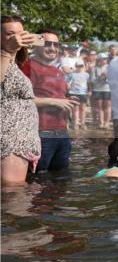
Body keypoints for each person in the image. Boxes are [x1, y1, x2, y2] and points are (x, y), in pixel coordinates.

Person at [22, 30, 75, 173]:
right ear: (36, 44)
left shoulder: (58, 72)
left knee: (61, 177)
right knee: (37, 178)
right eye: (47, 44)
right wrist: (55, 102)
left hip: (62, 134)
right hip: (39, 133)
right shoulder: (27, 67)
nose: (52, 48)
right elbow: (19, 100)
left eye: (56, 45)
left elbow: (57, 97)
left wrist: (67, 102)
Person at [1, 15, 42, 186]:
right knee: (12, 192)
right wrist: (6, 51)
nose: (16, 38)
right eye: (10, 33)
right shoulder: (4, 57)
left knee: (16, 192)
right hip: (10, 140)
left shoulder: (15, 62)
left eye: (20, 33)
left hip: (21, 140)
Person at [66, 59, 90, 129]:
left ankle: (82, 123)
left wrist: (89, 91)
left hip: (83, 93)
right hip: (73, 93)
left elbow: (89, 83)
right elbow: (67, 82)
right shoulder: (72, 74)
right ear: (76, 66)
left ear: (83, 66)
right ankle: (75, 123)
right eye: (78, 66)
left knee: (83, 109)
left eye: (81, 66)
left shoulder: (86, 75)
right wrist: (68, 87)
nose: (79, 67)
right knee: (75, 109)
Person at [90, 53, 112, 128]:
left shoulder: (110, 68)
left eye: (106, 59)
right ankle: (101, 122)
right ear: (99, 60)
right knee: (99, 107)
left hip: (107, 89)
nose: (105, 60)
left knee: (107, 106)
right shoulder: (94, 68)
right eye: (103, 59)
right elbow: (92, 80)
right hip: (97, 89)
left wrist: (107, 78)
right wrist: (100, 77)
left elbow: (113, 80)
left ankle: (107, 123)